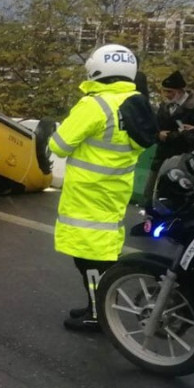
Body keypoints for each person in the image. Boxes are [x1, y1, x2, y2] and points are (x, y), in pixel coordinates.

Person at [48, 44, 154, 332]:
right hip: (115, 190)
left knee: (89, 260)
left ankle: (99, 314)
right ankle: (100, 306)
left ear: (97, 71)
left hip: (88, 193)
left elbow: (59, 144)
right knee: (102, 256)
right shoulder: (135, 103)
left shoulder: (95, 105)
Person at [142, 70, 194, 211]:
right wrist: (158, 135)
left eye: (170, 92)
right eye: (165, 91)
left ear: (180, 91)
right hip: (162, 152)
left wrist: (172, 135)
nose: (167, 95)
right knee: (152, 186)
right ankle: (149, 211)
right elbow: (155, 127)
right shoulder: (164, 106)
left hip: (181, 154)